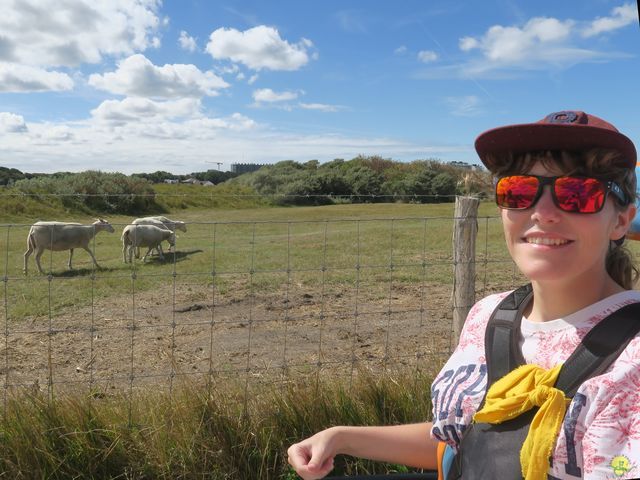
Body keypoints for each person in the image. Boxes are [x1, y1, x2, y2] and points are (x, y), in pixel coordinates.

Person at [287, 110, 640, 480]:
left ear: (620, 220)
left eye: (577, 193)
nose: (543, 212)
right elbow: (467, 442)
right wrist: (342, 437)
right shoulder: (491, 315)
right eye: (519, 191)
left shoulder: (630, 357)